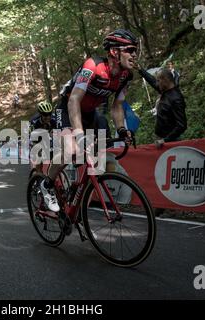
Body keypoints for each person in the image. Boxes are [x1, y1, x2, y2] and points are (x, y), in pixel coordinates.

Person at [41, 29, 137, 213]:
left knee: (95, 156)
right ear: (114, 52)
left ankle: (76, 193)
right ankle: (47, 184)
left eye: (135, 50)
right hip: (68, 107)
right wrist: (78, 133)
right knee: (70, 149)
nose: (134, 55)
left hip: (90, 113)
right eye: (130, 50)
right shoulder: (93, 66)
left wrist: (122, 129)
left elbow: (117, 106)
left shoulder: (126, 76)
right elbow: (74, 100)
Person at [136, 66, 187, 149]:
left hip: (170, 142)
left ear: (166, 80)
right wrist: (140, 69)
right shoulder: (165, 90)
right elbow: (152, 81)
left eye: (158, 81)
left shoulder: (176, 98)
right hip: (160, 138)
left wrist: (165, 140)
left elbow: (182, 125)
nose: (157, 83)